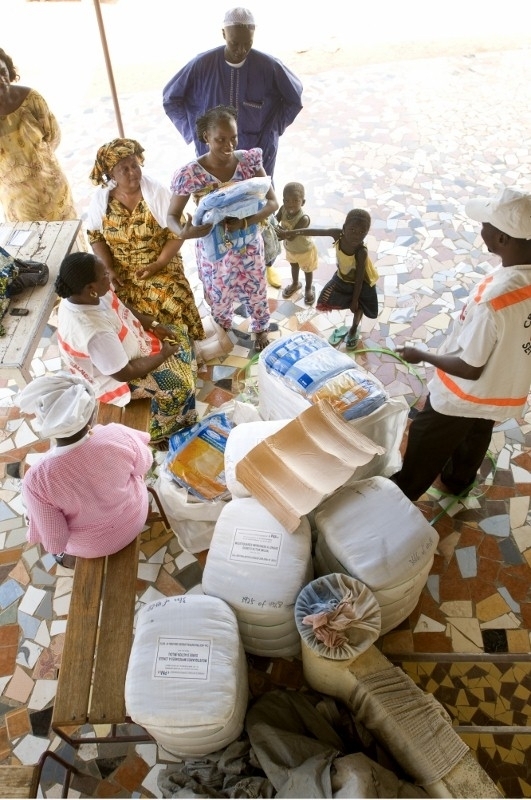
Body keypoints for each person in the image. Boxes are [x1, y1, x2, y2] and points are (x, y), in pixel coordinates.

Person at [391, 187, 531, 501]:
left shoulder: (493, 301)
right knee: (477, 432)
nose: (481, 228)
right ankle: (458, 480)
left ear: (502, 239)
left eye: (485, 224)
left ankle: (403, 492)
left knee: (427, 436)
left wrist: (422, 354)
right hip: (499, 390)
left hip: (462, 395)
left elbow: (469, 368)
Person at [162, 7, 303, 289]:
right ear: (223, 34)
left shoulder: (268, 66)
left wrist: (273, 129)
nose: (240, 50)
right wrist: (194, 134)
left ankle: (265, 262)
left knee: (259, 206)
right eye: (234, 42)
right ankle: (225, 265)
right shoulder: (201, 65)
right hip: (214, 158)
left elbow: (294, 98)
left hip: (256, 153)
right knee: (217, 209)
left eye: (247, 44)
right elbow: (171, 98)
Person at [167, 105, 279, 352]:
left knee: (256, 287)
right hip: (213, 249)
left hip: (248, 244)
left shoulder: (248, 162)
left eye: (233, 138)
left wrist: (246, 222)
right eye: (220, 139)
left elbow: (273, 203)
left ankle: (260, 327)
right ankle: (223, 324)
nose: (229, 145)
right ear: (206, 137)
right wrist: (184, 232)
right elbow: (172, 217)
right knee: (218, 291)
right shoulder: (191, 174)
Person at [55, 251, 197, 444]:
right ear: (91, 288)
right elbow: (124, 373)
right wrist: (164, 355)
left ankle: (181, 398)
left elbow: (122, 307)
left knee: (180, 334)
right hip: (119, 379)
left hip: (131, 349)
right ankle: (159, 432)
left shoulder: (87, 294)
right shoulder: (94, 332)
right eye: (105, 274)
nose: (109, 275)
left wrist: (153, 325)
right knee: (182, 386)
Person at [18, 372, 153, 564]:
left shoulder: (37, 481)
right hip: (136, 517)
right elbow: (144, 465)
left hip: (94, 547)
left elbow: (56, 541)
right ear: (90, 416)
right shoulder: (117, 434)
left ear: (44, 423)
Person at [86, 138, 204, 341]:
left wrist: (158, 264)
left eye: (134, 165)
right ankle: (147, 350)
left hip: (160, 261)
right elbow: (95, 236)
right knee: (115, 307)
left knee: (174, 296)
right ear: (112, 174)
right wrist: (109, 269)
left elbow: (177, 232)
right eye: (124, 169)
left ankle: (182, 344)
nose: (133, 172)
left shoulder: (156, 192)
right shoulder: (101, 200)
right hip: (121, 270)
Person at [0, 48, 76, 222]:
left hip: (53, 190)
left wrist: (38, 165)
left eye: (3, 72)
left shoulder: (31, 99)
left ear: (9, 70)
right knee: (31, 239)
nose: (1, 80)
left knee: (68, 235)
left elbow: (53, 136)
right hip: (17, 204)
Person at [287, 209, 379, 349]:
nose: (356, 235)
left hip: (362, 283)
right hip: (343, 276)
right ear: (344, 228)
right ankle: (352, 315)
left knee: (358, 306)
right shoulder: (338, 235)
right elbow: (315, 232)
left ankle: (354, 328)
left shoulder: (361, 252)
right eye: (352, 230)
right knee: (326, 297)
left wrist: (354, 300)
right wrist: (291, 233)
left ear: (366, 234)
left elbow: (360, 279)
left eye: (362, 232)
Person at [277, 182, 318, 305]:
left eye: (295, 200)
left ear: (303, 202)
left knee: (307, 270)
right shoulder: (283, 209)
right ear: (283, 201)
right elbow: (275, 220)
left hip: (304, 250)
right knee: (293, 266)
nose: (291, 204)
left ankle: (308, 288)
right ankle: (295, 283)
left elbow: (290, 237)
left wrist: (279, 232)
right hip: (291, 249)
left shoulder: (304, 219)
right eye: (287, 201)